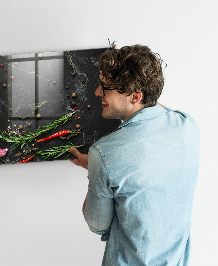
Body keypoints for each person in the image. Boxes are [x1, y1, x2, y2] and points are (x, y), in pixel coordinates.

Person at [69, 45, 199, 265]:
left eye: (105, 87)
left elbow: (97, 225)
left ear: (135, 95)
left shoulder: (104, 153)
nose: (97, 92)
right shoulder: (187, 125)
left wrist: (97, 169)